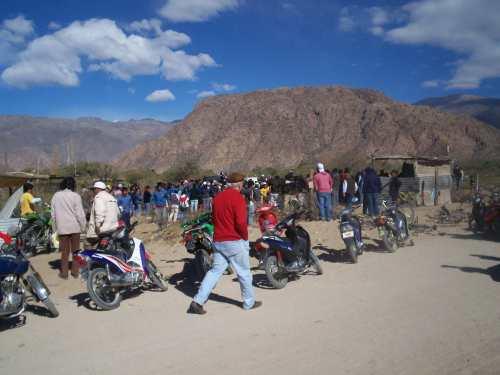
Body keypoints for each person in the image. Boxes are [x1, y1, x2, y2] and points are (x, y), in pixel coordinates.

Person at [188, 172, 262, 314]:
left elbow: (214, 219)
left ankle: (197, 301)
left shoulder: (217, 198)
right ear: (239, 185)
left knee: (214, 272)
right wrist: (245, 238)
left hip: (218, 240)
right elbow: (241, 223)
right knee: (244, 272)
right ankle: (249, 302)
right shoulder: (238, 198)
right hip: (234, 240)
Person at [51, 177, 87, 279]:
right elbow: (80, 214)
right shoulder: (76, 196)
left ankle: (64, 273)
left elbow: (53, 215)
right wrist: (83, 226)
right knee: (76, 251)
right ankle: (75, 272)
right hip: (75, 228)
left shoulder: (56, 196)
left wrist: (54, 229)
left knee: (64, 252)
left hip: (62, 228)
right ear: (73, 185)